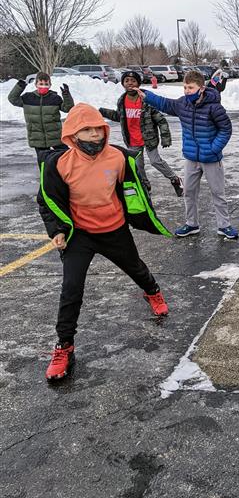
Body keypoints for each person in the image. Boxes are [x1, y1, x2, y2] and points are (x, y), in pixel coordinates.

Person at [38, 103, 172, 381]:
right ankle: (64, 346)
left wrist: (140, 215)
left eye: (98, 129)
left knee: (136, 268)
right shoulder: (58, 164)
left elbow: (133, 189)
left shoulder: (120, 158)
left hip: (114, 230)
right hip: (80, 236)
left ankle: (153, 291)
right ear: (72, 135)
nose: (95, 136)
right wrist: (57, 230)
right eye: (87, 131)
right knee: (71, 289)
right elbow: (46, 202)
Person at [136, 70, 238, 240]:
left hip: (211, 159)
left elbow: (226, 129)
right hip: (191, 158)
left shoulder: (214, 107)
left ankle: (224, 226)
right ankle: (192, 224)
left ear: (201, 88)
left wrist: (214, 148)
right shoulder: (183, 104)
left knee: (217, 193)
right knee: (189, 192)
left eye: (190, 87)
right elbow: (165, 104)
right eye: (185, 87)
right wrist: (147, 95)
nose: (186, 91)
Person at [99, 70, 183, 196]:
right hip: (132, 139)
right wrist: (103, 111)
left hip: (149, 137)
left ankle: (175, 179)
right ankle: (145, 185)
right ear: (123, 84)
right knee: (138, 165)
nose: (130, 83)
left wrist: (165, 137)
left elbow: (160, 119)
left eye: (133, 81)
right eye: (126, 81)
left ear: (138, 83)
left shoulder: (146, 98)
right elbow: (120, 116)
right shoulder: (122, 100)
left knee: (155, 161)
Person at [8, 72, 74, 165]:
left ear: (50, 85)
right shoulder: (28, 98)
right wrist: (20, 86)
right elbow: (12, 99)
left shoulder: (55, 98)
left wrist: (66, 95)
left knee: (64, 158)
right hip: (37, 137)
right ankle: (45, 179)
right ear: (36, 84)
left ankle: (64, 177)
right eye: (41, 84)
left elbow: (68, 108)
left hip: (55, 136)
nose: (43, 86)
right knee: (43, 163)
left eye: (46, 84)